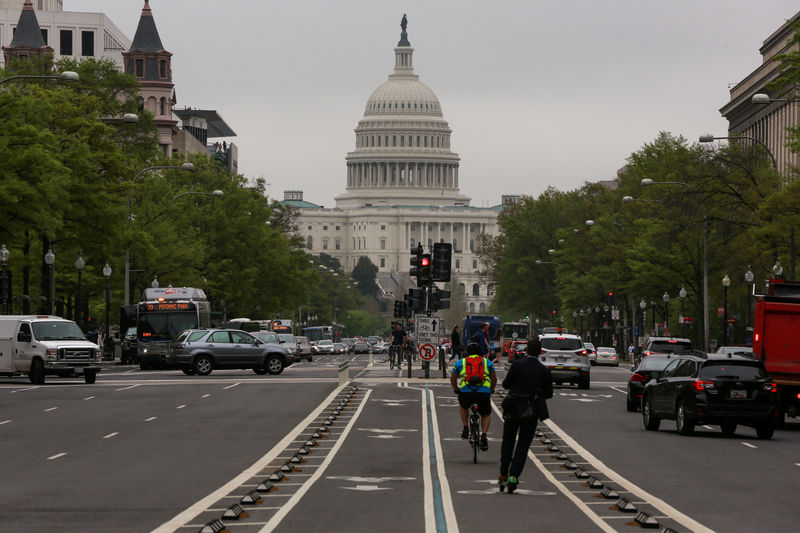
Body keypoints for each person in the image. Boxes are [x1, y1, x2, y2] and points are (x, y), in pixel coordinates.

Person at [498, 336, 553, 494]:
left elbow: (506, 384)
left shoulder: (517, 365)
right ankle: (514, 476)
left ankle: (503, 473)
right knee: (523, 445)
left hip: (513, 406)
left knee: (508, 440)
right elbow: (548, 393)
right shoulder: (544, 370)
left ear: (527, 350)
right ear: (540, 352)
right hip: (531, 410)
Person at [451, 342, 497, 451]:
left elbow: (453, 378)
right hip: (483, 392)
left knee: (463, 406)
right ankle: (484, 435)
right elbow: (494, 379)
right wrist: (491, 389)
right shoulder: (488, 362)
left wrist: (456, 389)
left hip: (466, 392)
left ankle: (466, 427)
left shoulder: (460, 362)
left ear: (467, 352)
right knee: (485, 414)